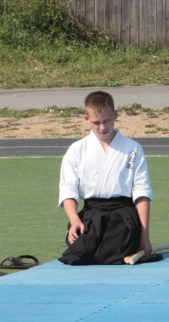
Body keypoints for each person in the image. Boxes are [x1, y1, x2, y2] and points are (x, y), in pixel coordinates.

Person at [58, 90, 154, 265]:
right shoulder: (76, 150)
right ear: (86, 119)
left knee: (116, 252)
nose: (102, 127)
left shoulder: (133, 148)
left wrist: (144, 236)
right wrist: (74, 220)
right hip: (91, 216)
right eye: (96, 122)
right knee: (77, 253)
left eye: (107, 121)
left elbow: (142, 193)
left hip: (123, 218)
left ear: (115, 115)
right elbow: (68, 190)